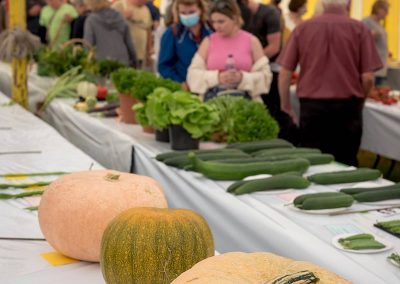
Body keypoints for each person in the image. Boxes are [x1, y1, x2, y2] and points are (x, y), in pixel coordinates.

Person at [277, 0, 382, 166]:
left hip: (312, 108)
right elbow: (368, 78)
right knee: (346, 162)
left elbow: (285, 73)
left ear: (322, 3)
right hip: (348, 108)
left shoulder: (303, 28)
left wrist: (286, 106)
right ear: (347, 3)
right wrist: (361, 100)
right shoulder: (360, 29)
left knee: (313, 163)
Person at [187, 0, 272, 102]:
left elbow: (266, 77)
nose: (216, 26)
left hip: (246, 103)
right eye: (213, 22)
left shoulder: (252, 41)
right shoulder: (208, 41)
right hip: (212, 103)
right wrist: (217, 77)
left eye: (221, 21)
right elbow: (192, 76)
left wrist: (242, 78)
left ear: (234, 18)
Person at [245, 0, 297, 143]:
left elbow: (274, 47)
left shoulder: (269, 13)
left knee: (276, 112)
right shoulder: (242, 15)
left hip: (272, 69)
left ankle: (285, 144)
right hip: (253, 72)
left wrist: (251, 62)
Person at [158, 0, 212, 90]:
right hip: (184, 87)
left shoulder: (212, 30)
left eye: (192, 12)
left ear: (201, 10)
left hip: (210, 85)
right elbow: (164, 65)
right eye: (183, 13)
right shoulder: (173, 33)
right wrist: (178, 82)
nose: (187, 16)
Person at [83, 0, 137, 66]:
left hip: (102, 62)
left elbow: (88, 45)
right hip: (122, 59)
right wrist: (135, 62)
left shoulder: (91, 20)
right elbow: (129, 43)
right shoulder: (120, 17)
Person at [112, 0, 152, 68]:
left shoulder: (146, 9)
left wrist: (148, 53)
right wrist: (122, 18)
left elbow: (148, 31)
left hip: (139, 55)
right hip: (122, 55)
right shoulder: (119, 5)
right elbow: (108, 25)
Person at [362, 0, 390, 86]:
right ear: (379, 9)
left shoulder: (380, 25)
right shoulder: (366, 22)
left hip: (381, 66)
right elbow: (361, 41)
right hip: (373, 68)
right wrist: (371, 36)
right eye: (386, 10)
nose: (387, 14)